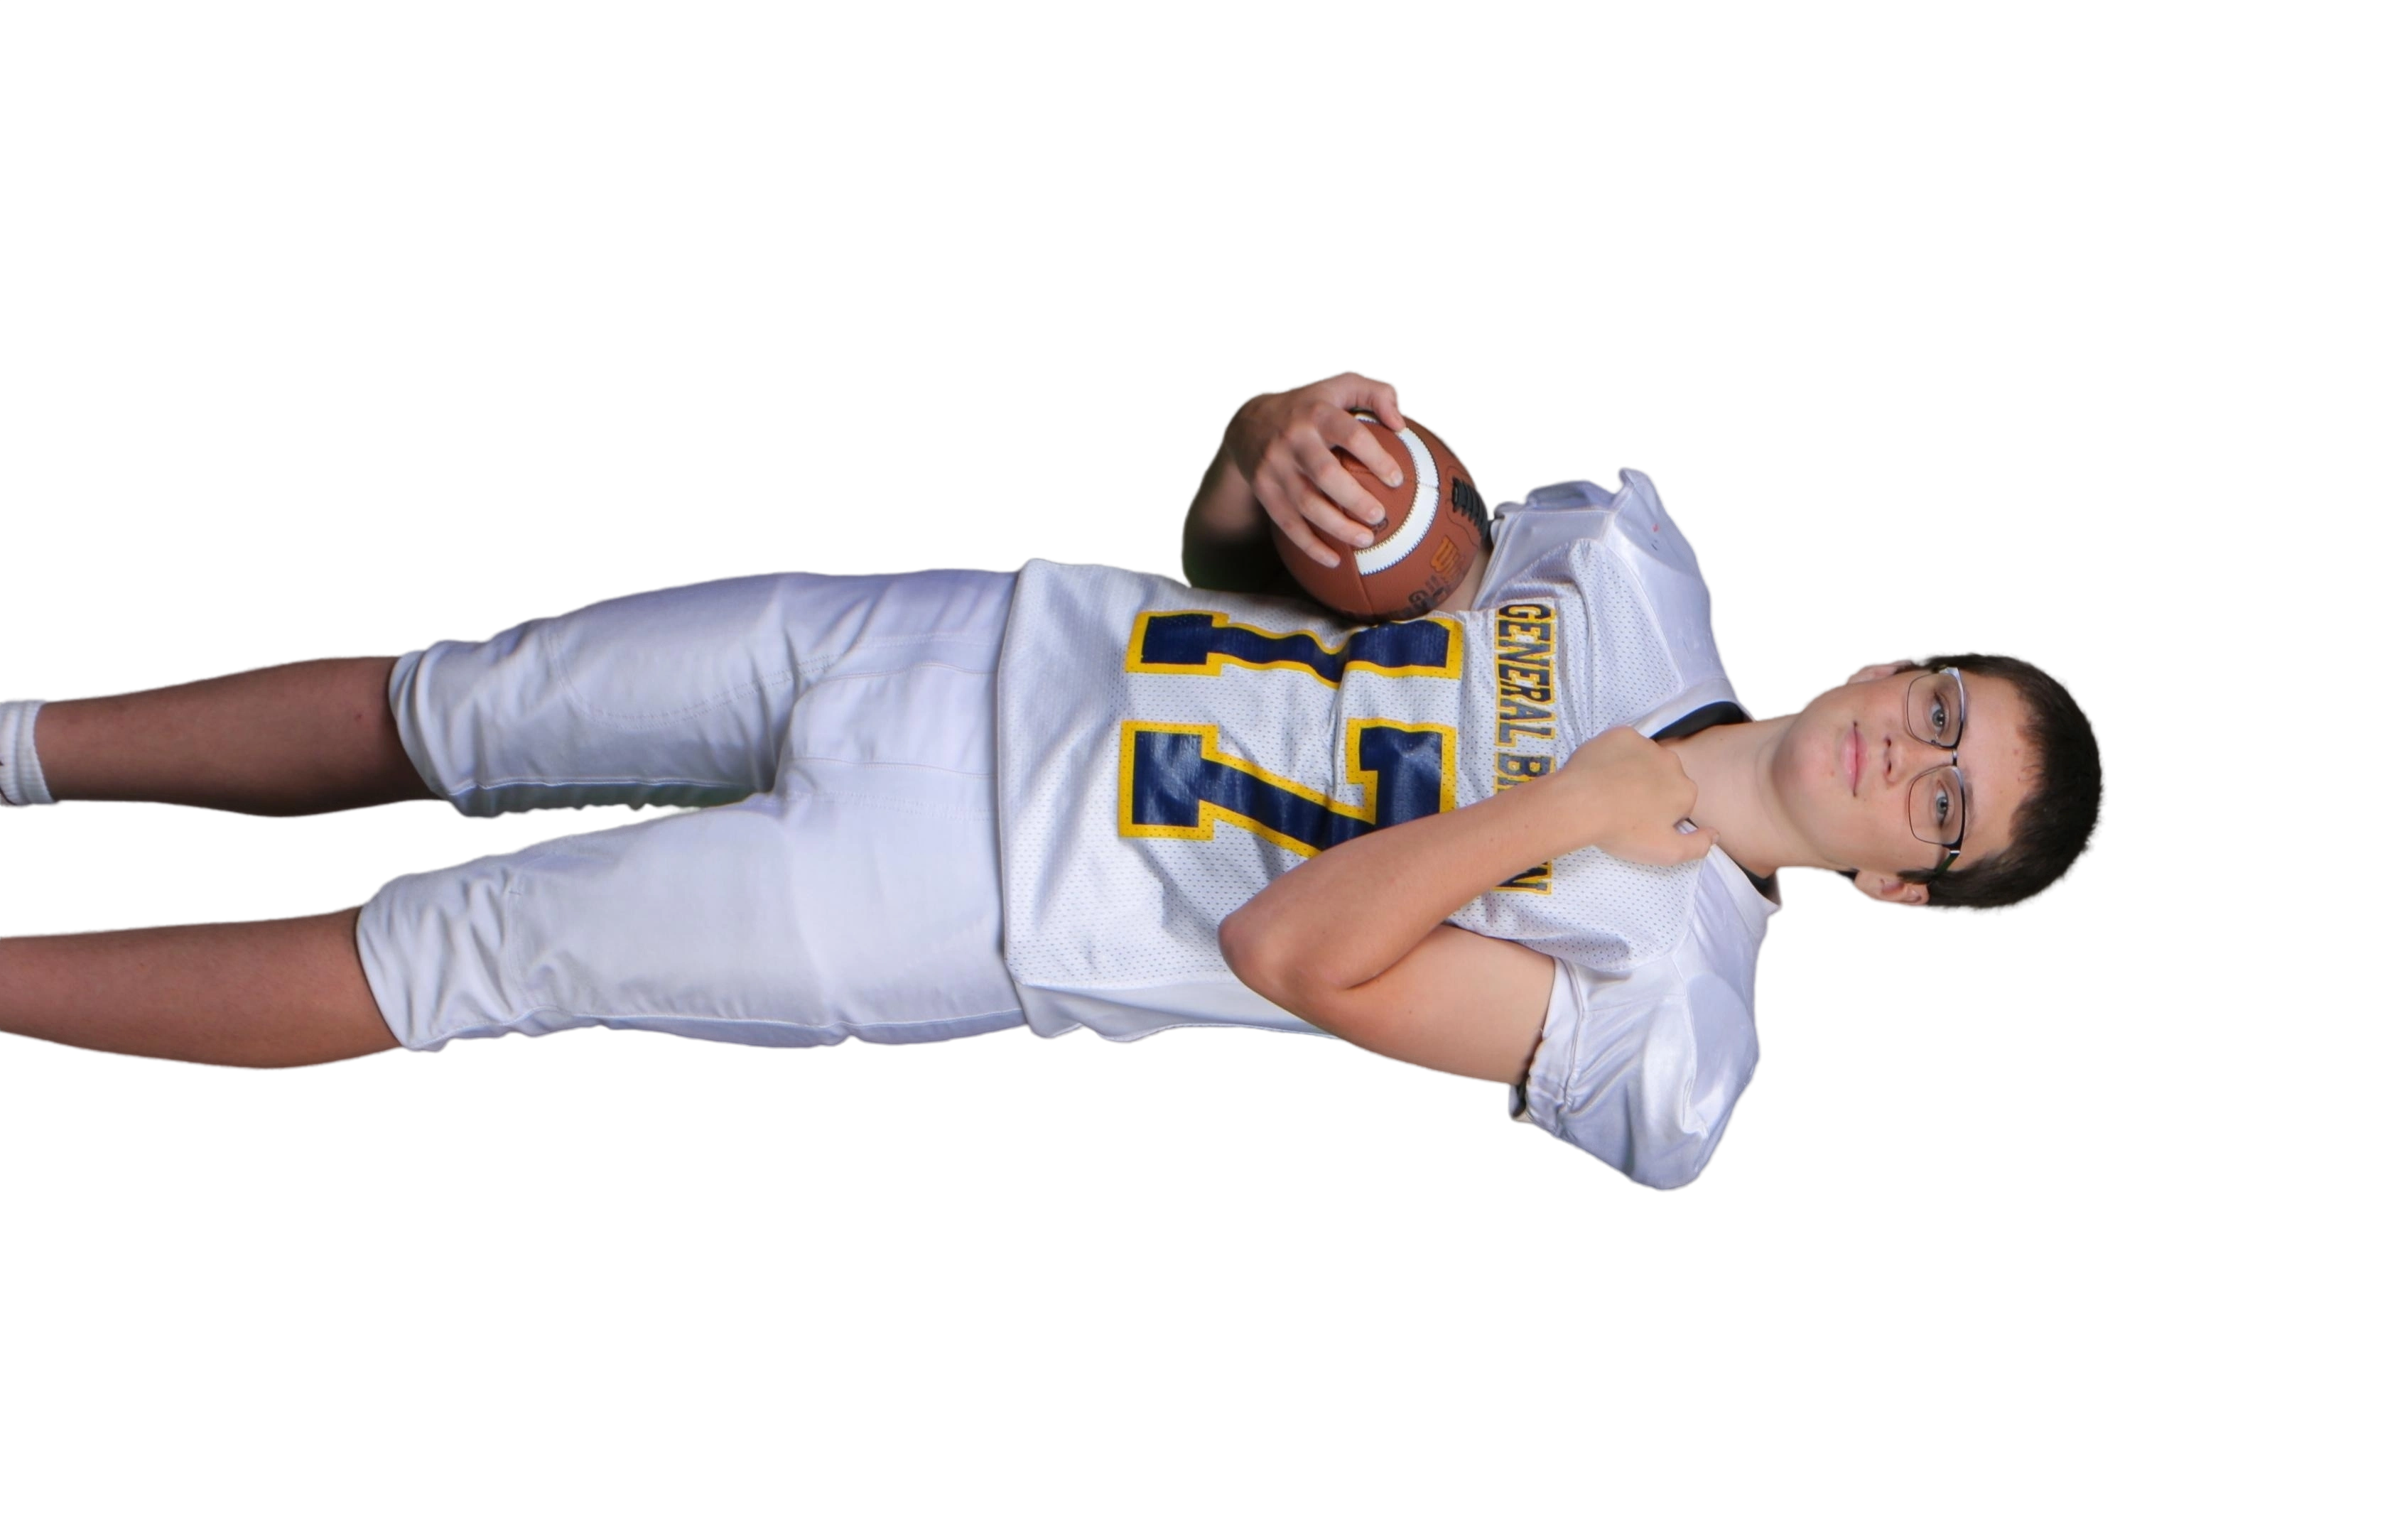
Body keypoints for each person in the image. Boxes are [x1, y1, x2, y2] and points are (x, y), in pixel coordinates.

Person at [0, 369, 2107, 1191]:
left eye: (1947, 805)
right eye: (1942, 707)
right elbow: (1241, 544)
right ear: (1893, 660)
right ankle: (19, 743)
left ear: (1903, 890)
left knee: (463, 949)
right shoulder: (1633, 565)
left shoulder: (1673, 1017)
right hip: (987, 644)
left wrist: (1574, 812)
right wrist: (1281, 438)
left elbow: (1298, 954)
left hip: (980, 895)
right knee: (454, 704)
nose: (1907, 754)